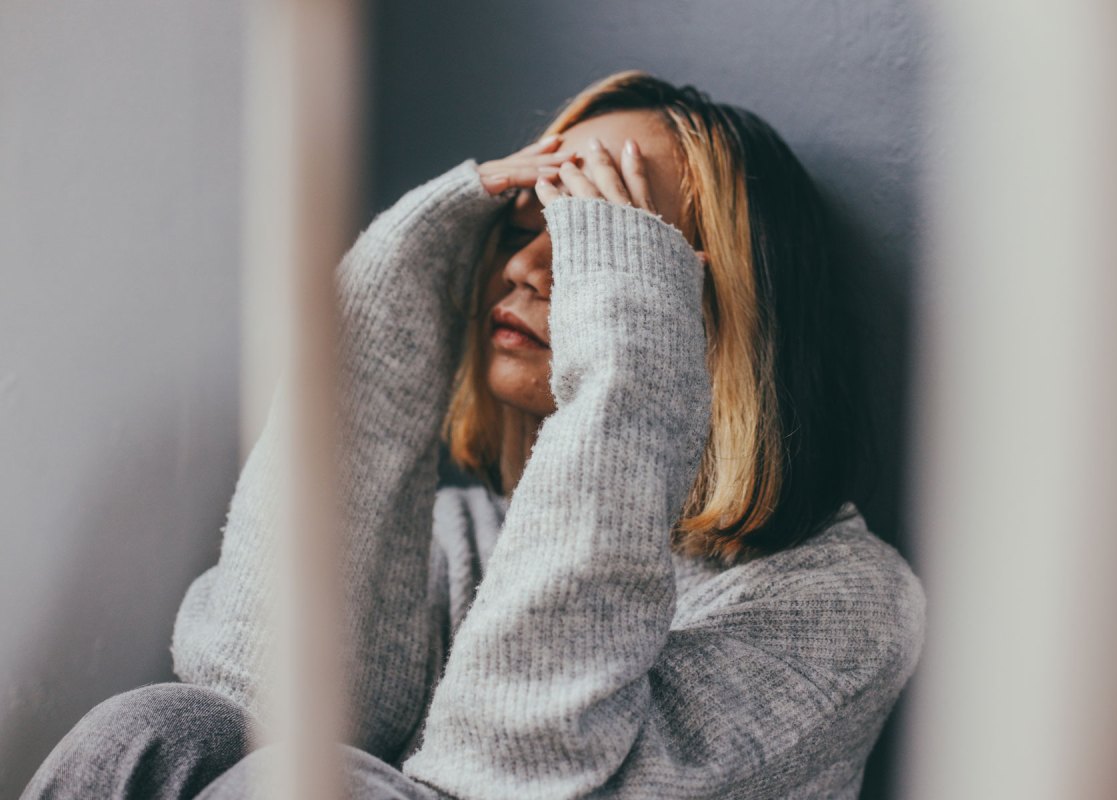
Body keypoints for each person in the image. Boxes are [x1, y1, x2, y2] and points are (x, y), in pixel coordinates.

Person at [23, 70, 925, 799]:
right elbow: (258, 689)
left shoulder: (846, 604)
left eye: (597, 238)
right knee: (164, 730)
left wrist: (626, 368)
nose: (525, 265)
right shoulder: (467, 536)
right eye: (522, 224)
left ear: (698, 306)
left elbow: (511, 782)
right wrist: (382, 296)